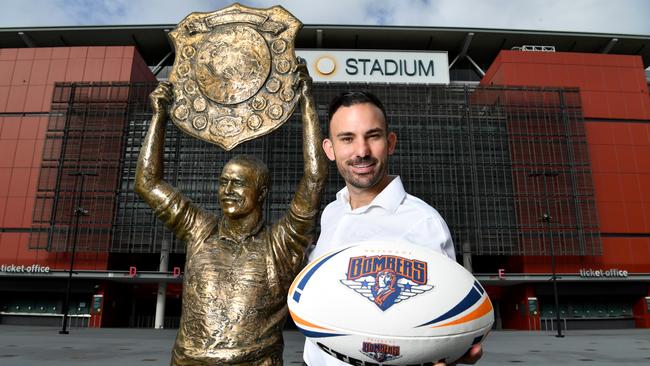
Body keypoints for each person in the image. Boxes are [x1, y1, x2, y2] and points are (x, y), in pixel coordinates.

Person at [135, 67, 327, 365]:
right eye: (224, 182)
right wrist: (159, 116)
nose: (227, 190)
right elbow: (147, 183)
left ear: (261, 192)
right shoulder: (200, 229)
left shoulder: (281, 243)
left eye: (238, 183)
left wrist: (307, 104)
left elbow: (314, 178)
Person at [302, 91, 482, 366]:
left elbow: (443, 314)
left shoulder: (423, 223)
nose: (361, 151)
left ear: (390, 142)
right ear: (329, 149)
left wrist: (453, 345)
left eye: (372, 136)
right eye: (347, 138)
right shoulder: (331, 212)